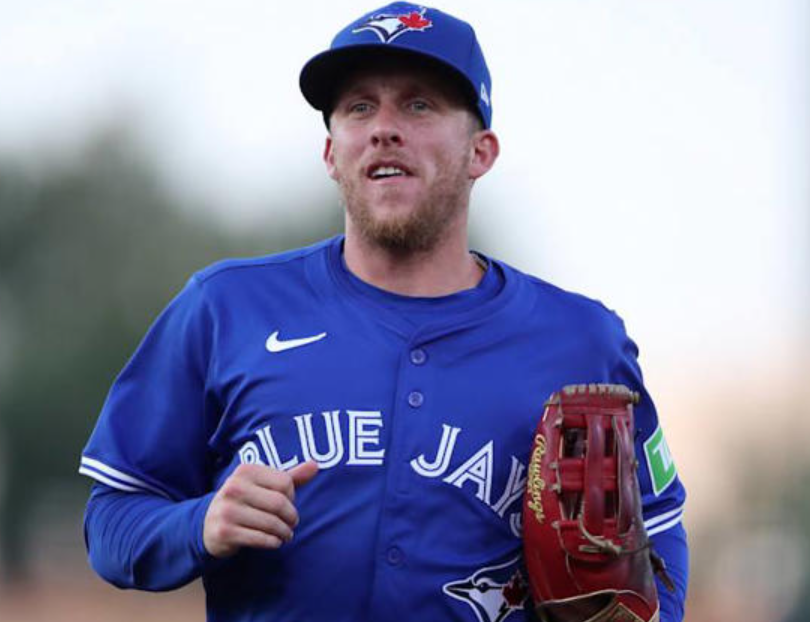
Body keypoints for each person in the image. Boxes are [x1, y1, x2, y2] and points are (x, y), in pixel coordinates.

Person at [79, 3, 689, 621]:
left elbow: (660, 527)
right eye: (359, 107)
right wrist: (197, 524)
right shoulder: (226, 309)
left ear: (480, 152)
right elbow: (112, 519)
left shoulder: (580, 341)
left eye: (419, 105)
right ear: (331, 153)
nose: (384, 129)